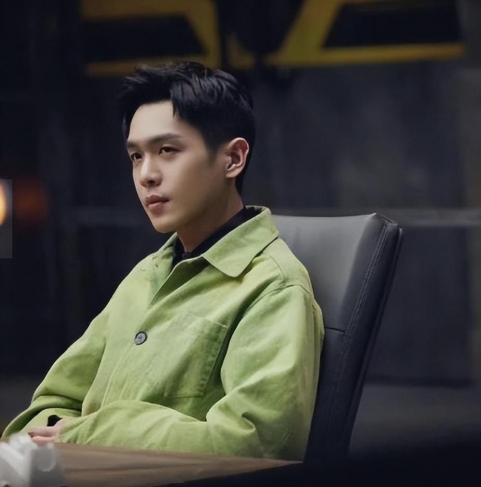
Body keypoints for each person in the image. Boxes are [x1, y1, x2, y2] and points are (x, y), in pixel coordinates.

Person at [2, 62, 324, 461]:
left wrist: (89, 434)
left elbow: (256, 441)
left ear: (233, 158)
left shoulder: (272, 288)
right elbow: (53, 403)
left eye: (167, 151)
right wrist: (48, 442)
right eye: (136, 156)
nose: (146, 175)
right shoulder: (147, 274)